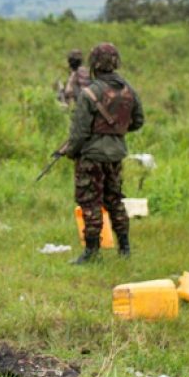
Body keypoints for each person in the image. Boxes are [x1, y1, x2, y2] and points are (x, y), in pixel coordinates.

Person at [55, 42, 144, 264]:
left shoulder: (89, 93)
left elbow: (79, 132)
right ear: (116, 62)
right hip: (116, 155)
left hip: (92, 156)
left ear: (94, 63)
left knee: (90, 202)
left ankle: (92, 252)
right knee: (115, 199)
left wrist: (71, 152)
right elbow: (138, 121)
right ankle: (124, 248)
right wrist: (116, 133)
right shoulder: (129, 91)